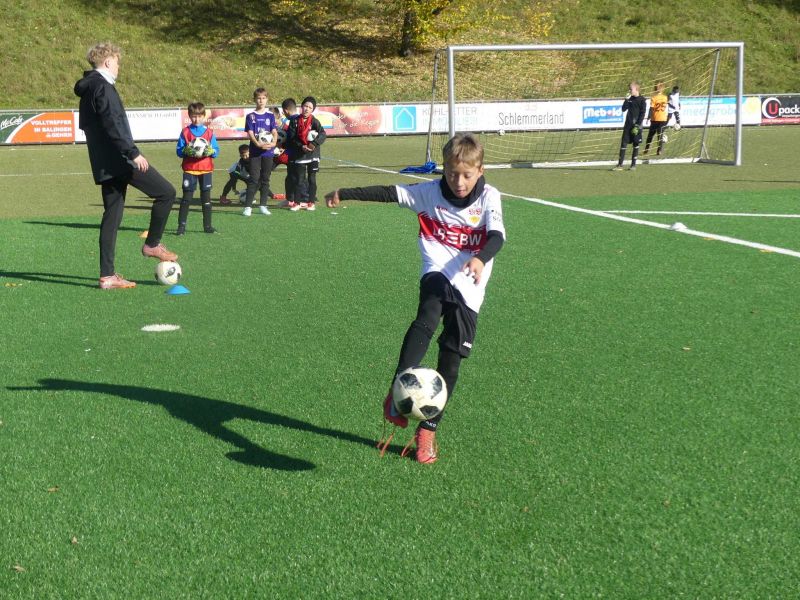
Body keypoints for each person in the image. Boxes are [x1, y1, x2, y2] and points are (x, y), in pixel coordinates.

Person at [324, 133, 506, 464]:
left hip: (470, 280)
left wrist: (480, 258)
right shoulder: (428, 193)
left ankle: (428, 431)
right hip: (437, 268)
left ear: (480, 171)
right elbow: (387, 192)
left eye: (467, 175)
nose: (459, 182)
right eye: (452, 173)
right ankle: (398, 389)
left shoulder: (489, 197)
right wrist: (344, 192)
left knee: (452, 357)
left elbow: (496, 236)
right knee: (428, 315)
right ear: (444, 169)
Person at [74, 42, 177, 290]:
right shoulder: (103, 87)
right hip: (120, 160)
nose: (119, 67)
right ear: (108, 62)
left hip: (103, 163)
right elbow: (113, 123)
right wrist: (132, 153)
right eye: (118, 62)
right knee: (166, 193)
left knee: (112, 216)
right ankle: (152, 244)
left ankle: (107, 276)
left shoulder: (89, 88)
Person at [175, 102, 220, 234]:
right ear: (189, 116)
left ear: (204, 116)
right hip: (190, 169)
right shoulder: (185, 132)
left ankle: (207, 226)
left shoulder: (209, 132)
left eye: (199, 116)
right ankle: (181, 227)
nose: (196, 119)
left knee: (206, 199)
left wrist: (211, 151)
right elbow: (179, 151)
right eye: (194, 116)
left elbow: (216, 150)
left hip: (206, 169)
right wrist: (186, 150)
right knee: (186, 199)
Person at [286, 96, 326, 211]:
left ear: (312, 110)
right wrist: (301, 146)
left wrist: (313, 144)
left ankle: (311, 202)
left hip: (313, 155)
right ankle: (297, 203)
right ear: (301, 107)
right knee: (299, 180)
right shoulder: (294, 121)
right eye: (305, 106)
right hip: (300, 154)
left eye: (310, 107)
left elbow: (323, 134)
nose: (307, 109)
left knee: (312, 179)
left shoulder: (315, 121)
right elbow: (292, 138)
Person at [242, 87, 278, 216]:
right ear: (254, 100)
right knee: (254, 179)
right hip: (255, 152)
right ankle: (248, 207)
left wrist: (274, 142)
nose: (261, 101)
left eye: (263, 98)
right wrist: (257, 144)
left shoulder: (270, 116)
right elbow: (250, 133)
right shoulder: (250, 116)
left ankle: (263, 205)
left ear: (267, 99)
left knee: (265, 179)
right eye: (258, 98)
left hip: (268, 152)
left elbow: (274, 131)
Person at [613, 81, 647, 171]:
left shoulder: (642, 100)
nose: (629, 90)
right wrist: (626, 100)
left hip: (637, 126)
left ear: (636, 89)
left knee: (636, 144)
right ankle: (620, 165)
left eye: (631, 89)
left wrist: (637, 125)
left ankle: (633, 165)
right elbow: (623, 109)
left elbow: (642, 114)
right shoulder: (630, 98)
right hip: (628, 125)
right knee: (623, 144)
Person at [274, 97, 299, 207]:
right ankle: (291, 199)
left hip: (295, 154)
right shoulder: (298, 119)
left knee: (297, 177)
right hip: (292, 154)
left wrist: (283, 146)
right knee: (291, 177)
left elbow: (293, 138)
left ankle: (303, 199)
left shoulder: (294, 121)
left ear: (285, 111)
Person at [644, 82, 669, 156]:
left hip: (655, 118)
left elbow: (651, 108)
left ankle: (646, 149)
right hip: (663, 118)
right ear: (663, 89)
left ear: (655, 89)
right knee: (660, 135)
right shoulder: (665, 97)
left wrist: (648, 117)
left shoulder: (654, 98)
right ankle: (659, 150)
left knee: (650, 135)